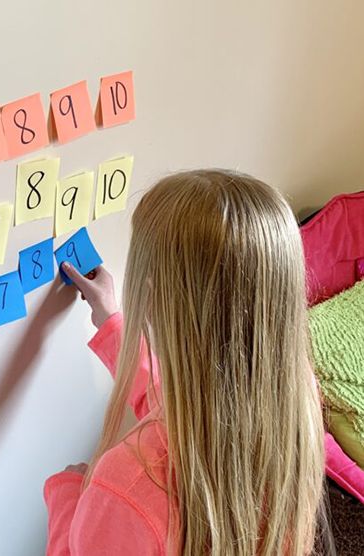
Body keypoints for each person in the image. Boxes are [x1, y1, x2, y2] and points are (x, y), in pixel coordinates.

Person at [45, 170, 330, 555]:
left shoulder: (127, 486)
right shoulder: (297, 406)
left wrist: (66, 500)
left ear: (150, 298)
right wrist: (112, 324)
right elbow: (180, 413)